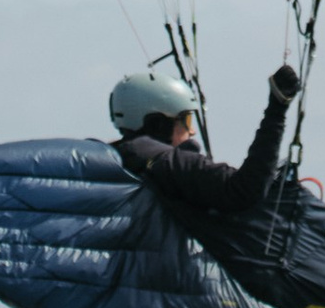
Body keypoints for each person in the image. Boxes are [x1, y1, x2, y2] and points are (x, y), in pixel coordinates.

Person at [108, 60, 303, 212]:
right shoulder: (173, 164)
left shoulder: (117, 161)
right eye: (186, 120)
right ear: (158, 125)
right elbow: (245, 191)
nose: (192, 131)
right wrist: (276, 110)